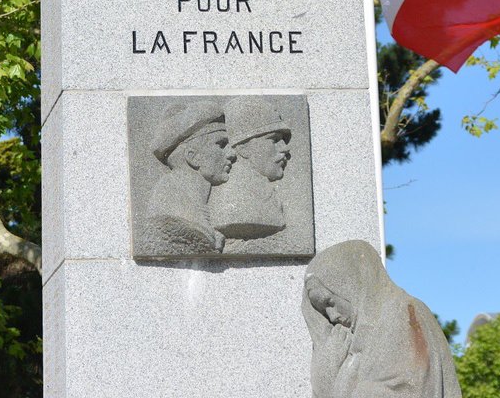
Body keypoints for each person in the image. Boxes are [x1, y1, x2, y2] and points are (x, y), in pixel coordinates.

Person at [302, 240, 462, 398]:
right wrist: (327, 370)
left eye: (330, 302)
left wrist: (332, 377)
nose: (331, 315)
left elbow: (406, 390)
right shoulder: (360, 338)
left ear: (348, 287)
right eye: (324, 310)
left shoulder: (400, 313)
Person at [144, 100, 236, 254]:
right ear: (192, 156)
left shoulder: (191, 206)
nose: (232, 154)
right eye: (221, 144)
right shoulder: (171, 214)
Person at [209, 96, 292, 240]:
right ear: (243, 148)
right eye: (274, 139)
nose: (285, 148)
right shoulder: (232, 203)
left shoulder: (265, 195)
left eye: (283, 141)